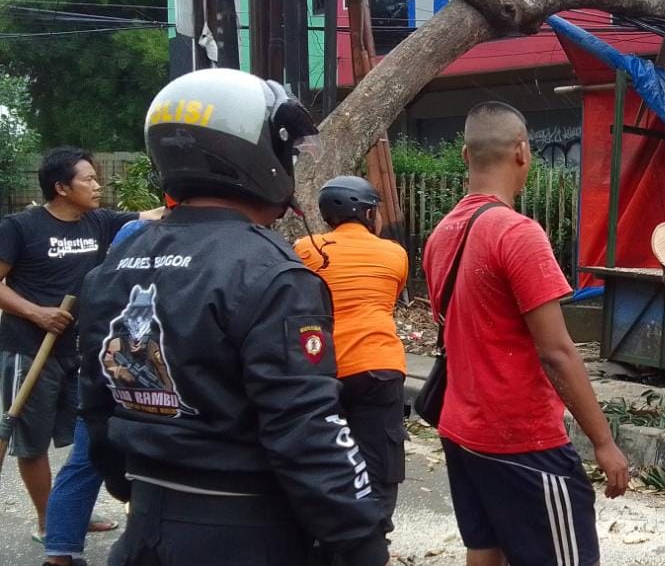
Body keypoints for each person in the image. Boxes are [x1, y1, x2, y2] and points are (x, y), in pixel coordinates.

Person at [78, 68, 389, 565]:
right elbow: (308, 428)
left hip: (144, 533)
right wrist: (360, 539)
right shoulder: (270, 273)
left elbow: (97, 405)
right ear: (251, 152)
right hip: (244, 531)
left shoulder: (116, 265)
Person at [422, 101, 630, 566]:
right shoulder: (517, 234)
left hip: (460, 431)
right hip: (520, 439)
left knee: (485, 547)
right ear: (522, 151)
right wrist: (604, 442)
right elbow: (557, 352)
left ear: (464, 156)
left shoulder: (441, 235)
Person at [0, 147, 161, 551]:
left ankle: (65, 511)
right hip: (29, 351)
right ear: (61, 187)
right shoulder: (20, 227)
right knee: (31, 441)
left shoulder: (100, 223)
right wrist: (37, 313)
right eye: (87, 179)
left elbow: (153, 217)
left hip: (81, 352)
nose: (97, 185)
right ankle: (45, 520)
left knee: (87, 434)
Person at [41, 194, 176, 566]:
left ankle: (60, 554)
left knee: (86, 459)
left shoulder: (115, 260)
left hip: (104, 370)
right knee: (147, 460)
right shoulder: (174, 261)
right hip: (143, 374)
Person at [294, 176, 409, 546]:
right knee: (380, 463)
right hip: (378, 365)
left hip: (321, 368)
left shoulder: (304, 248)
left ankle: (326, 538)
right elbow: (388, 298)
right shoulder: (395, 254)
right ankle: (374, 541)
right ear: (368, 211)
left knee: (325, 456)